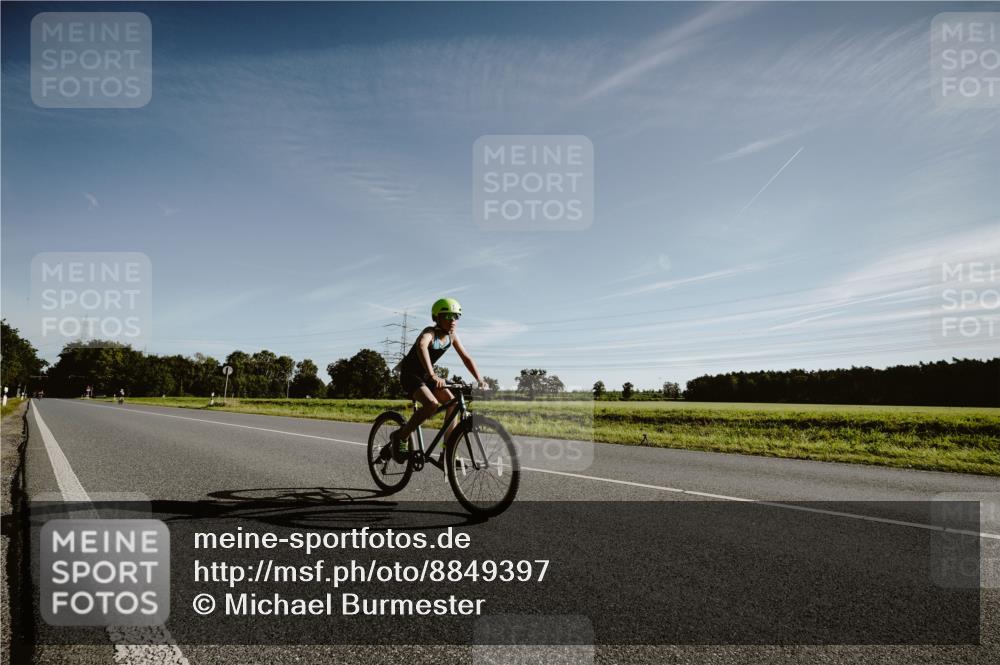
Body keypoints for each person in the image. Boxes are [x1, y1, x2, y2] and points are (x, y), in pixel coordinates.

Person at [385, 298, 487, 461]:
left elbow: (466, 358)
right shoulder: (430, 332)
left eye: (456, 317)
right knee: (431, 404)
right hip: (410, 375)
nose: (452, 320)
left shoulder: (452, 337)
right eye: (448, 316)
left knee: (453, 404)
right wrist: (433, 375)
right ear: (437, 318)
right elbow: (421, 346)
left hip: (426, 375)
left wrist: (480, 379)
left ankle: (447, 452)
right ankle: (401, 437)